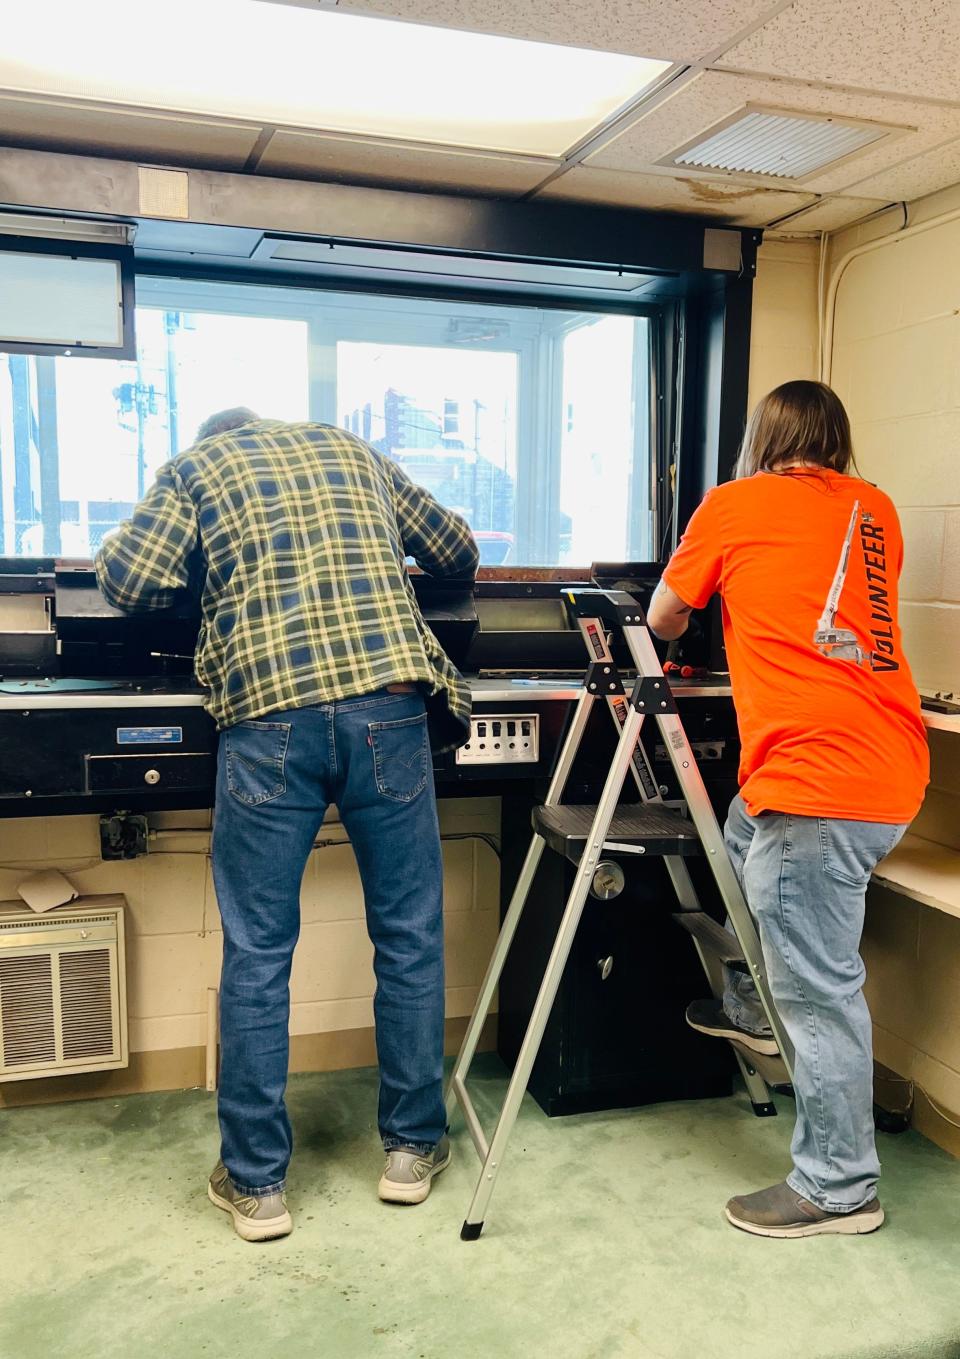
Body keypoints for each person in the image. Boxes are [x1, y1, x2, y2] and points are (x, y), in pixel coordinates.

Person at [96, 409, 479, 1242]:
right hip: (390, 703)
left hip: (268, 715)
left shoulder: (198, 467)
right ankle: (413, 1150)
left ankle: (257, 1184)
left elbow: (124, 580)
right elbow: (456, 549)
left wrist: (205, 571)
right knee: (410, 934)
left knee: (259, 949)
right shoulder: (352, 448)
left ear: (214, 436)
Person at [647, 380, 928, 1240]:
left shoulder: (734, 504)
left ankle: (839, 1188)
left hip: (818, 783)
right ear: (835, 439)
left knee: (820, 992)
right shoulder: (873, 508)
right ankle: (747, 999)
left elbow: (663, 617)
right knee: (738, 829)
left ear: (762, 439)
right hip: (890, 768)